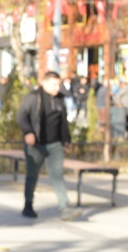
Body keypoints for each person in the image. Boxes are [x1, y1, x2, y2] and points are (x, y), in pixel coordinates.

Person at [17, 69, 81, 220]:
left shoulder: (60, 99)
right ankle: (28, 205)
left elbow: (63, 122)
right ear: (44, 83)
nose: (57, 88)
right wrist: (28, 132)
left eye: (58, 84)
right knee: (32, 175)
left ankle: (65, 207)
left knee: (57, 175)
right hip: (36, 145)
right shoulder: (33, 97)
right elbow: (21, 116)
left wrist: (66, 140)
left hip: (55, 145)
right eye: (54, 84)